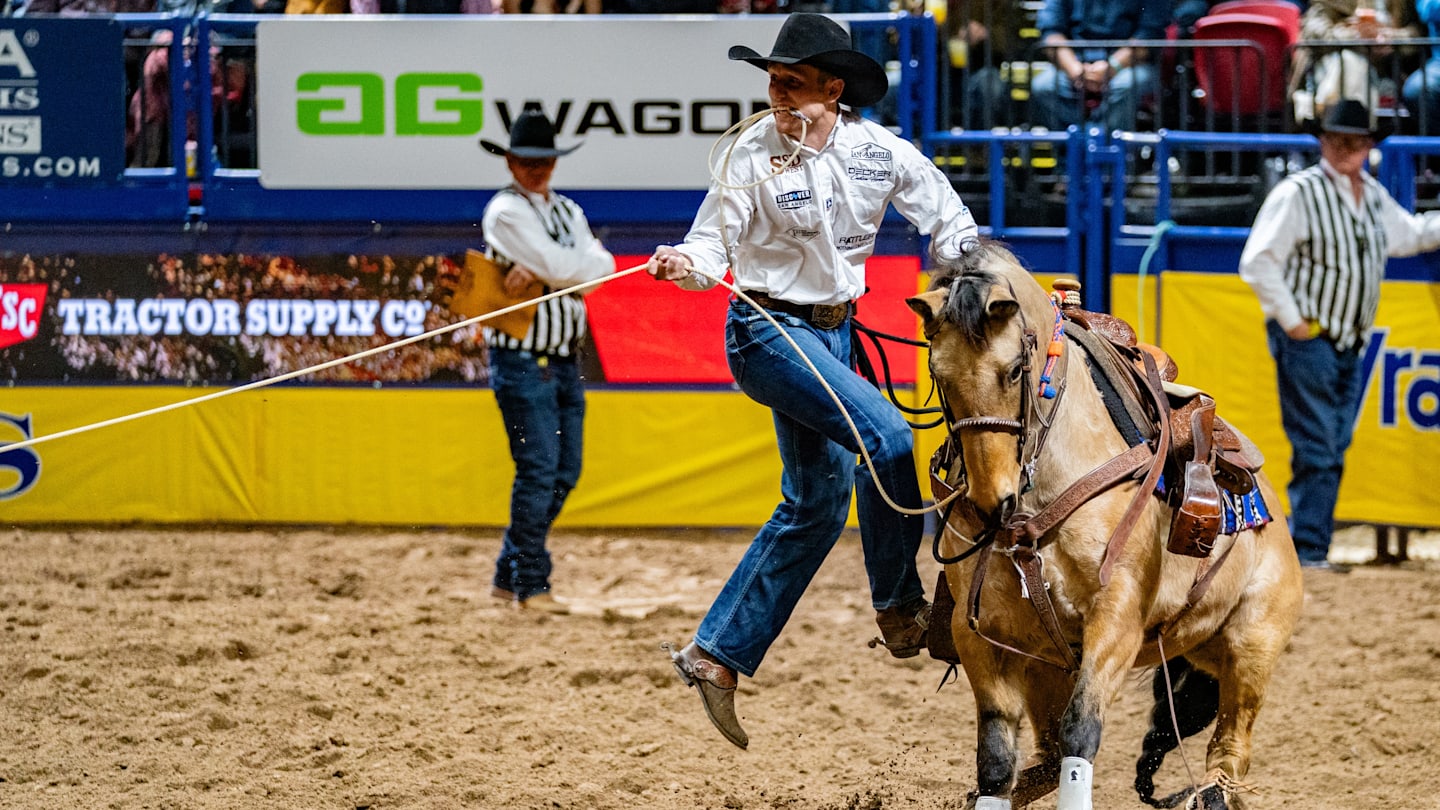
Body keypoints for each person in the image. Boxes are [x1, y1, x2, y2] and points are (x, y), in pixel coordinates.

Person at [647, 13, 980, 750]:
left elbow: (946, 214)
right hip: (764, 329)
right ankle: (900, 608)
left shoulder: (879, 152)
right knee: (890, 437)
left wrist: (971, 261)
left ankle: (715, 656)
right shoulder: (748, 157)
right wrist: (685, 266)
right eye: (772, 82)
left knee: (818, 505)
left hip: (835, 331)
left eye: (792, 84)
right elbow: (711, 245)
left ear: (834, 89)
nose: (777, 97)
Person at [1239, 99, 1440, 574]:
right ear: (1323, 142)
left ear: (1369, 146)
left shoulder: (1369, 194)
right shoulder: (1299, 192)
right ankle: (1307, 550)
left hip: (1347, 340)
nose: (1345, 148)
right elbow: (1257, 260)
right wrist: (1292, 321)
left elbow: (1407, 235)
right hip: (1312, 338)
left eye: (1355, 140)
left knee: (1330, 443)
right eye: (1337, 139)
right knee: (1319, 446)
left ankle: (1309, 547)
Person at [479, 108, 615, 613]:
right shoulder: (505, 212)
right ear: (511, 161)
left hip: (559, 356)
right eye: (527, 160)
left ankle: (506, 576)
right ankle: (531, 584)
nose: (537, 168)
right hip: (521, 356)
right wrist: (571, 269)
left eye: (544, 160)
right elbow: (577, 266)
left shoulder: (566, 210)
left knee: (563, 471)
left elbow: (598, 270)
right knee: (540, 469)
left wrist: (555, 270)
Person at [1028, 0, 1168, 133]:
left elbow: (1148, 34)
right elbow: (1051, 32)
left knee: (1127, 85)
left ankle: (1106, 150)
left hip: (1128, 65)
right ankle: (1075, 149)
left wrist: (1112, 67)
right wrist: (1075, 69)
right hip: (1074, 64)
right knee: (1044, 85)